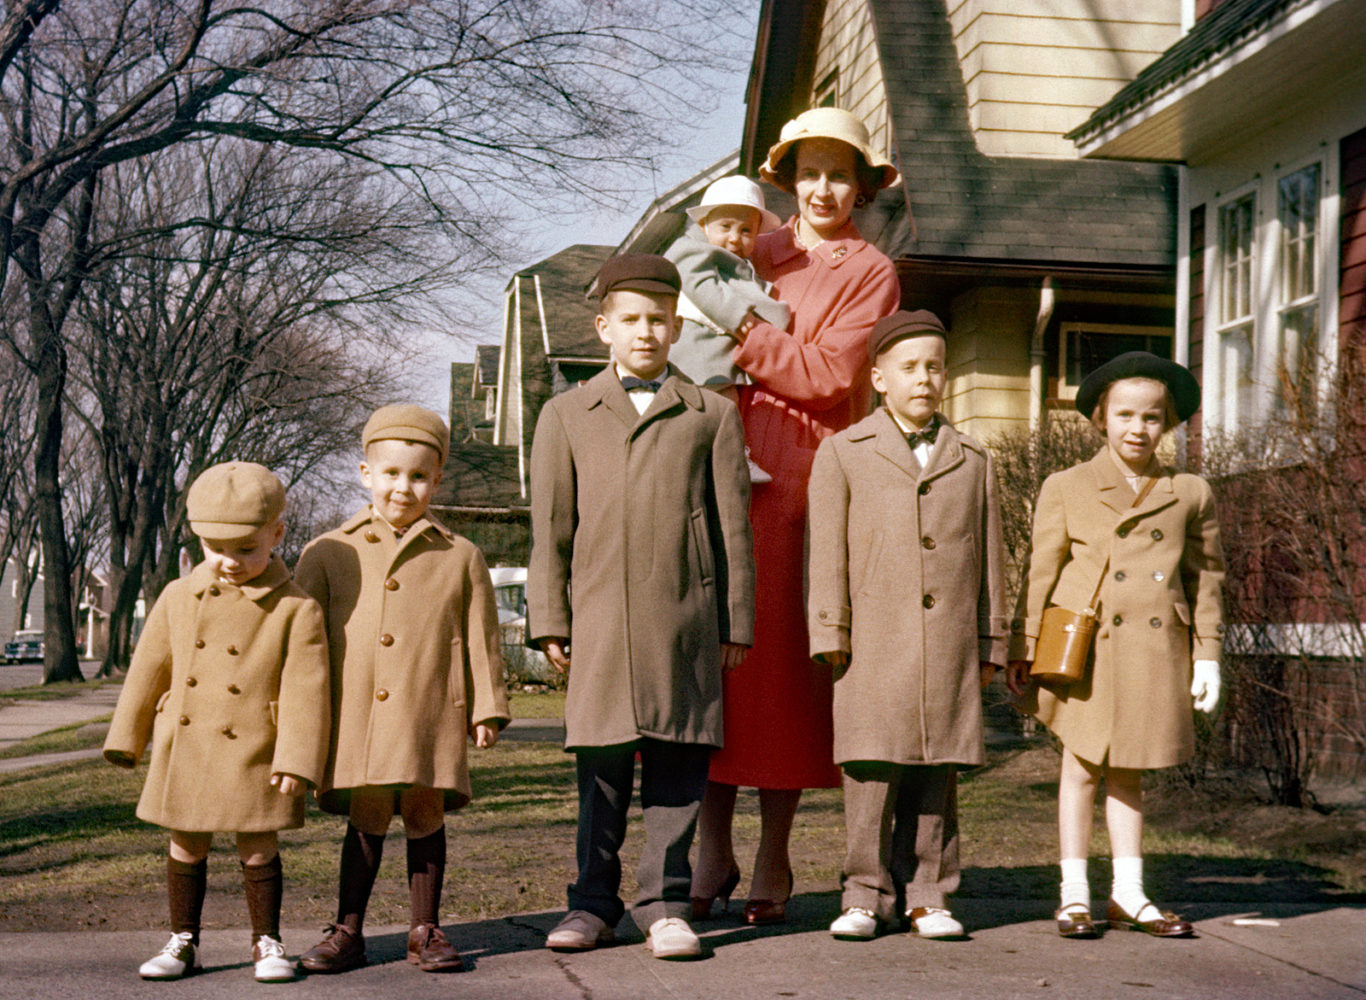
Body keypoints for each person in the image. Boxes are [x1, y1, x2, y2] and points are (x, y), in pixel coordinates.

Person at [692, 106, 901, 926]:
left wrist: (737, 326)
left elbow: (824, 374)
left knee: (777, 663)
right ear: (788, 178)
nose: (822, 189)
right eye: (808, 172)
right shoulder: (750, 243)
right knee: (713, 656)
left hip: (804, 468)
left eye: (839, 173)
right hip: (716, 452)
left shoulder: (870, 269)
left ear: (862, 185)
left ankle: (773, 850)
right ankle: (711, 846)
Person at [527, 253, 755, 960]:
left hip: (685, 619)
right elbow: (551, 530)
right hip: (597, 621)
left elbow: (733, 527)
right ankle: (592, 903)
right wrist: (550, 620)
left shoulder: (711, 413)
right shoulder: (565, 414)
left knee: (677, 766)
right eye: (630, 319)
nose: (646, 331)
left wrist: (735, 622)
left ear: (677, 324)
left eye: (659, 318)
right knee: (600, 770)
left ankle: (665, 905)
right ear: (603, 328)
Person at [1005, 352, 1225, 940]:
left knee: (1130, 771)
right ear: (1100, 418)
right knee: (1079, 767)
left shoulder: (1189, 493)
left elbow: (1207, 580)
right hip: (1088, 650)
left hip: (1153, 652)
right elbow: (1042, 572)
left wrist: (1208, 654)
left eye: (1152, 417)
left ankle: (1128, 893)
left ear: (1168, 424)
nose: (1137, 428)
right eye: (1124, 414)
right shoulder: (1067, 486)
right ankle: (1073, 895)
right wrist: (1025, 645)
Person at [807, 310, 1007, 941]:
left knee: (936, 767)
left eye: (935, 367)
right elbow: (825, 551)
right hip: (871, 640)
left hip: (948, 641)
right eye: (910, 367)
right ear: (879, 377)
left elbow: (992, 557)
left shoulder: (974, 458)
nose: (924, 379)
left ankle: (929, 892)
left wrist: (991, 639)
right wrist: (829, 632)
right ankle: (864, 892)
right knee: (870, 766)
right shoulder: (843, 451)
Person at [295, 404, 509, 973]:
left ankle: (425, 928)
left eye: (418, 476)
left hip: (430, 707)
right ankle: (347, 929)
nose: (403, 488)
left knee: (423, 810)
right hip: (356, 711)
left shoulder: (460, 555)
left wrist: (486, 707)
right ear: (365, 473)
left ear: (437, 480)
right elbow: (297, 642)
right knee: (365, 812)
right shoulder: (326, 552)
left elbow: (481, 637)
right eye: (390, 473)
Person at [103, 462, 330, 983]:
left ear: (277, 533)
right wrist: (126, 739)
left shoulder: (297, 609)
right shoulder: (179, 597)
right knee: (186, 842)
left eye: (246, 549)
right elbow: (148, 671)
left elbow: (306, 692)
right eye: (215, 548)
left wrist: (297, 759)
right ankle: (183, 941)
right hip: (190, 743)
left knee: (257, 844)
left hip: (258, 746)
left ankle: (266, 942)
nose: (229, 562)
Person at [663, 174, 790, 483]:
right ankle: (715, 457)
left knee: (725, 408)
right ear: (704, 225)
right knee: (705, 406)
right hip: (697, 349)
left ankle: (729, 456)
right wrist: (741, 319)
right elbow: (701, 286)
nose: (735, 238)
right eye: (725, 227)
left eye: (746, 230)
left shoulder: (736, 262)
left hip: (717, 351)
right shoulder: (689, 250)